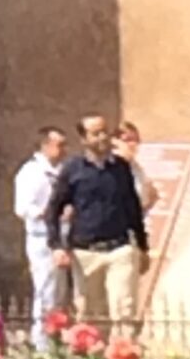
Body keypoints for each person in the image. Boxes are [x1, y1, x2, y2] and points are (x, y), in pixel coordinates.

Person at [47, 113, 148, 333]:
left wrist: (142, 246)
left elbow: (132, 208)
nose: (102, 137)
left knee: (123, 310)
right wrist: (56, 246)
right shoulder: (73, 169)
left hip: (120, 249)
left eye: (105, 131)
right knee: (89, 315)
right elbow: (53, 209)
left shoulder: (121, 168)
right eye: (96, 133)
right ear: (84, 139)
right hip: (85, 252)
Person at [13, 125, 67, 343]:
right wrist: (44, 212)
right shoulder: (31, 172)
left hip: (63, 236)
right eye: (59, 145)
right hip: (41, 238)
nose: (63, 150)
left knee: (60, 293)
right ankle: (41, 342)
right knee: (45, 290)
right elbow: (22, 207)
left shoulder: (63, 171)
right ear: (45, 145)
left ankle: (57, 337)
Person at [113, 122, 159, 217]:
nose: (133, 144)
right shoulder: (111, 164)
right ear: (116, 142)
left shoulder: (136, 166)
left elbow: (151, 195)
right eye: (128, 140)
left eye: (136, 140)